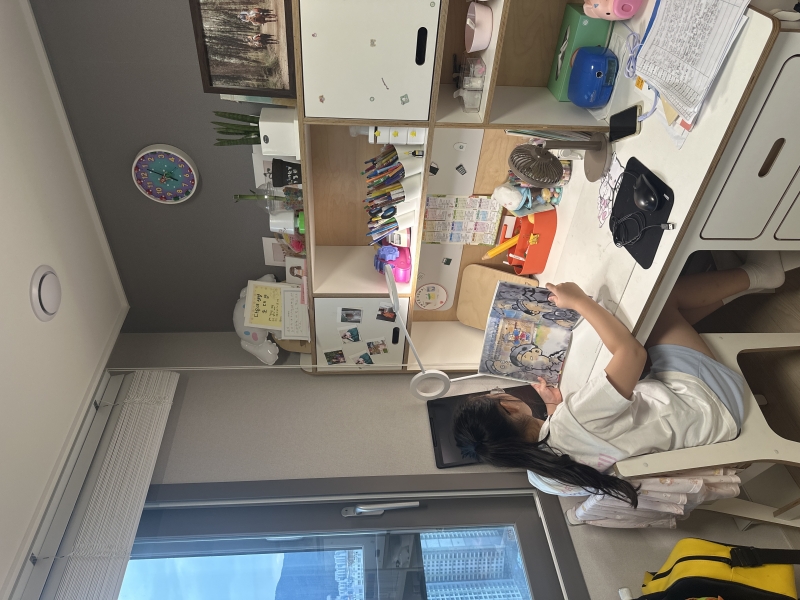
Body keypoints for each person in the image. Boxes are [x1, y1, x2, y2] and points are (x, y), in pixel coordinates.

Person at [453, 252, 790, 506]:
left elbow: (579, 447)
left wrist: (554, 406)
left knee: (659, 323)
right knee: (659, 304)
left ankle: (747, 283)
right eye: (496, 394)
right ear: (510, 408)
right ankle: (759, 274)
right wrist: (579, 301)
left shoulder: (545, 478)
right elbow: (631, 354)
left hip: (694, 439)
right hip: (706, 404)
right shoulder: (573, 420)